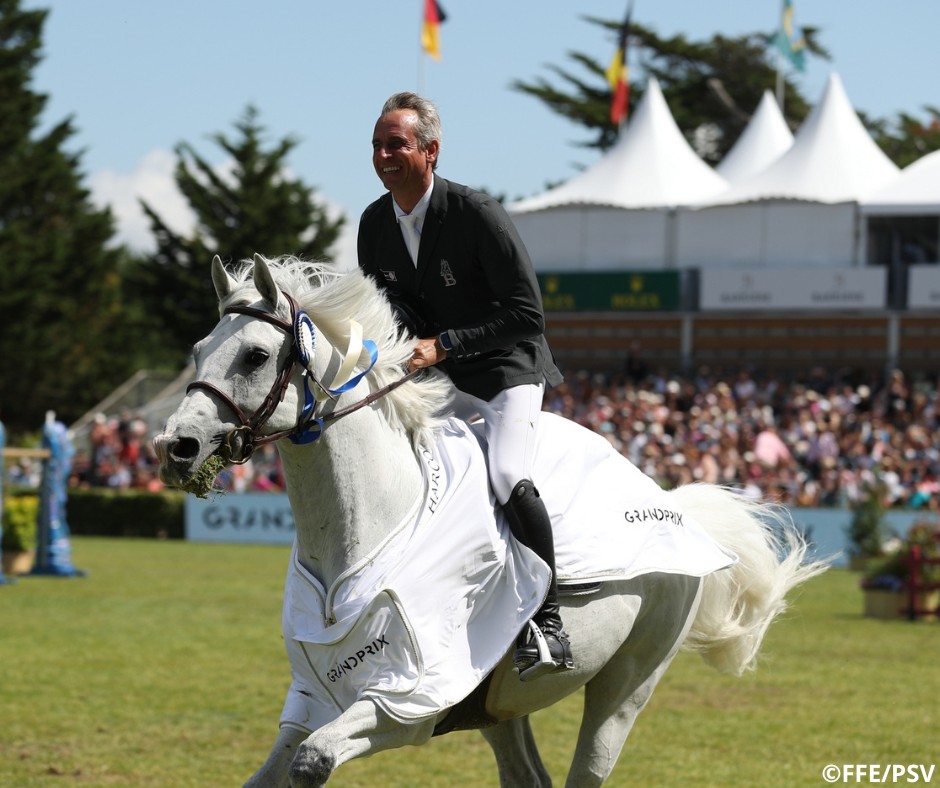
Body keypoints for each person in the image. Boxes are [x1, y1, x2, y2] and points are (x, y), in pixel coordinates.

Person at [358, 92, 571, 680]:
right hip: (439, 375)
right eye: (377, 144)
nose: (382, 155)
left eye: (395, 143)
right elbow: (390, 309)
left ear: (430, 149)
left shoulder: (477, 213)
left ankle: (548, 621)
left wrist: (444, 344)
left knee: (505, 474)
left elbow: (528, 314)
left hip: (507, 370)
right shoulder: (374, 222)